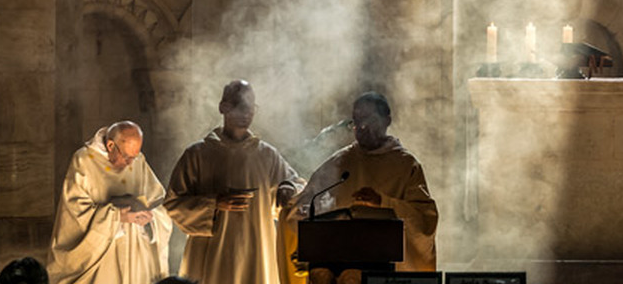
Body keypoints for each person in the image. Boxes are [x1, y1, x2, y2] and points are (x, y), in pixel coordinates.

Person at [165, 80, 305, 284]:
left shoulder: (266, 155)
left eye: (251, 106)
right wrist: (214, 204)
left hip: (256, 250)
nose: (247, 112)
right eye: (240, 104)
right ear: (223, 107)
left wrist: (287, 188)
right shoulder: (197, 154)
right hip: (213, 254)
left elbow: (298, 185)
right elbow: (173, 203)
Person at [294, 92, 437, 273]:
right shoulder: (340, 162)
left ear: (387, 120)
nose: (361, 127)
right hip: (342, 268)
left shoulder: (405, 165)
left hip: (388, 271)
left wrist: (384, 203)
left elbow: (425, 218)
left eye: (368, 119)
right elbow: (304, 206)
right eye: (356, 121)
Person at [47, 121, 171, 284]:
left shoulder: (137, 160)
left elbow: (159, 201)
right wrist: (116, 217)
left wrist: (150, 216)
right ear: (111, 145)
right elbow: (74, 213)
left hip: (135, 254)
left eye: (135, 157)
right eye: (126, 157)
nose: (130, 164)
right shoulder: (84, 160)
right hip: (102, 258)